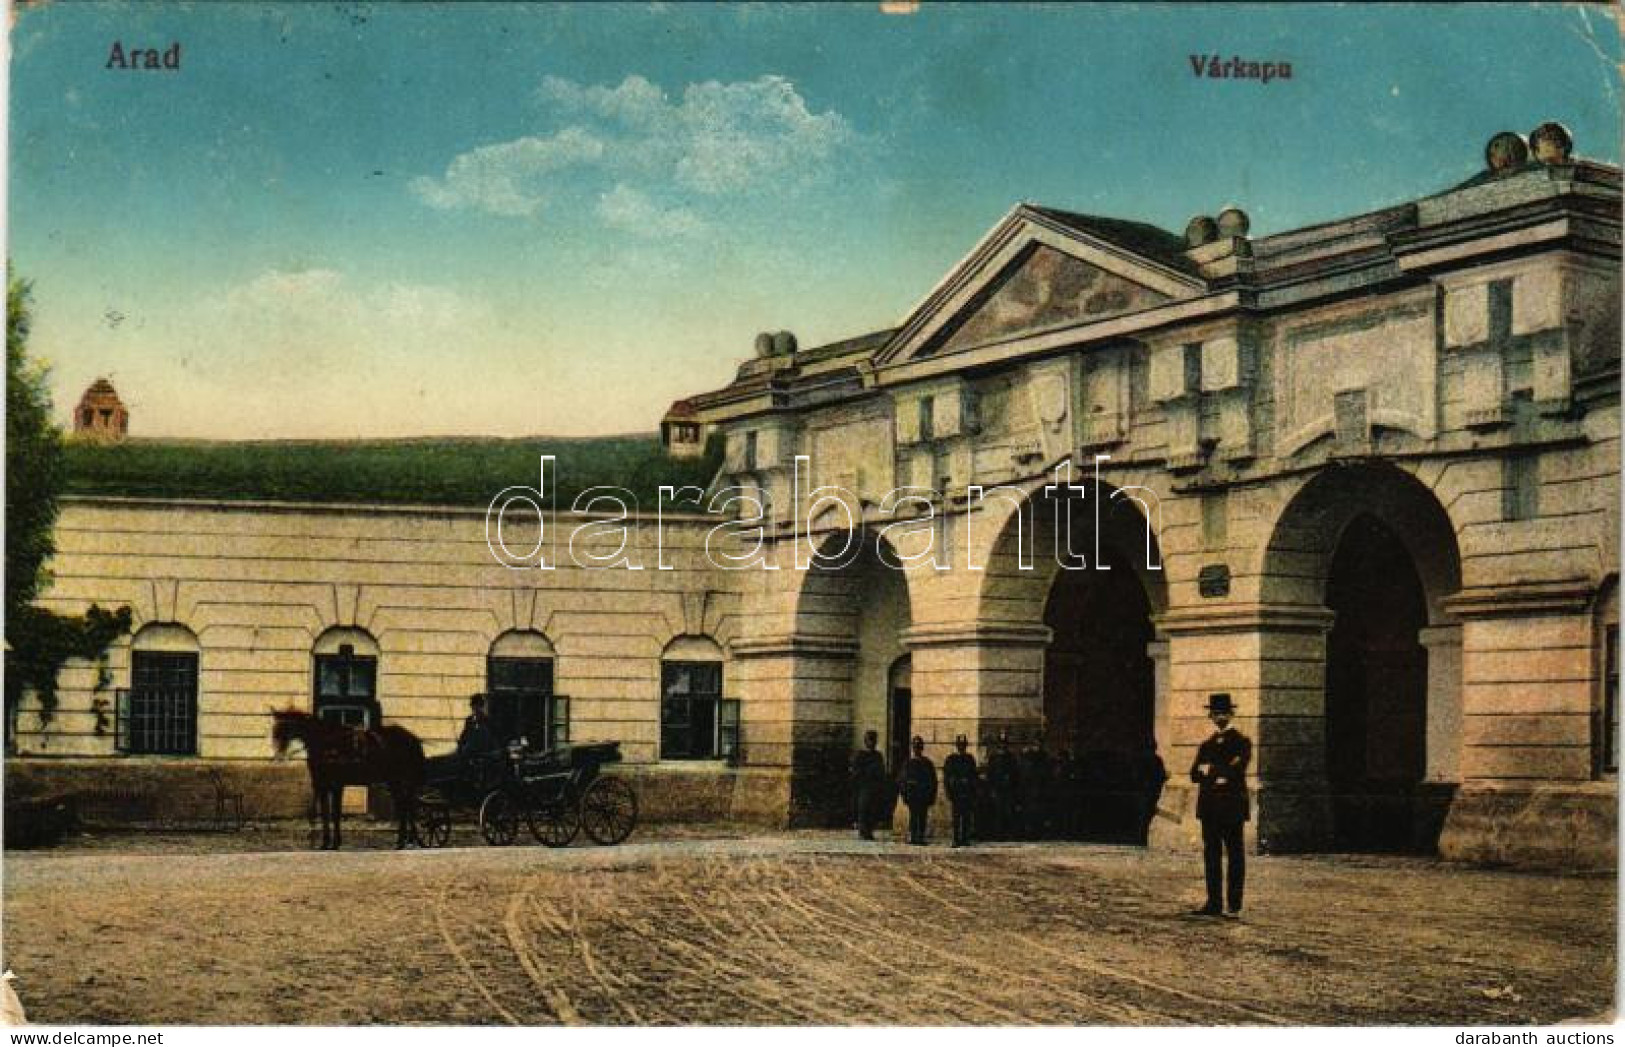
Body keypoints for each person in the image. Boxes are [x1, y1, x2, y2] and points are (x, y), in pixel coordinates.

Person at [1190, 693, 1252, 917]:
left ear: (1232, 714)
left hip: (1232, 807)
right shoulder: (1206, 745)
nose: (1220, 718)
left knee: (1235, 854)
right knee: (1211, 855)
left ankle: (1234, 904)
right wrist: (1216, 773)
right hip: (1209, 808)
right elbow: (1194, 774)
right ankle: (1213, 902)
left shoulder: (1241, 742)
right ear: (1210, 716)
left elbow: (1237, 770)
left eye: (1224, 713)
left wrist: (1211, 771)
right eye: (1216, 714)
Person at [899, 735, 938, 845]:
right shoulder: (908, 763)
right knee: (913, 816)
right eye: (915, 746)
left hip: (923, 795)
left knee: (922, 816)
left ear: (922, 748)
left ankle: (920, 836)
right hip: (912, 795)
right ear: (913, 748)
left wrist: (931, 795)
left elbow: (932, 780)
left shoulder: (927, 763)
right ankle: (913, 836)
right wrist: (905, 794)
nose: (917, 749)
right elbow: (903, 780)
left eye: (919, 746)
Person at [850, 730, 887, 840]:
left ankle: (870, 830)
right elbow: (856, 772)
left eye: (873, 740)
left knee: (873, 809)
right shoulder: (860, 755)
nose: (871, 742)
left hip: (875, 786)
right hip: (864, 786)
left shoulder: (878, 755)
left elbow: (881, 770)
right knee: (863, 808)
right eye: (869, 740)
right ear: (865, 741)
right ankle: (863, 831)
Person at [942, 734, 979, 847]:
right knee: (956, 816)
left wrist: (972, 789)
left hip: (967, 792)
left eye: (963, 745)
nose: (961, 747)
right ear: (957, 745)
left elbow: (973, 776)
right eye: (960, 745)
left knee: (966, 816)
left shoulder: (969, 759)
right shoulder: (951, 759)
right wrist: (949, 790)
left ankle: (965, 838)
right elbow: (947, 777)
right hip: (956, 792)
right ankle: (956, 838)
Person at [984, 731, 1020, 840]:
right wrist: (992, 789)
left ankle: (1009, 833)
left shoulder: (1011, 758)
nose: (1002, 745)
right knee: (997, 812)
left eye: (1004, 743)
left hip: (1009, 789)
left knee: (1008, 811)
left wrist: (1012, 784)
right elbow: (990, 774)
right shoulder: (993, 758)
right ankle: (998, 834)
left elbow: (1016, 774)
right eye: (1001, 743)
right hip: (997, 788)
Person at [1133, 738, 1169, 845]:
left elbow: (1136, 776)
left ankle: (1140, 839)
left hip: (1143, 791)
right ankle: (1142, 839)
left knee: (1142, 816)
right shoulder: (1157, 760)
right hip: (1153, 791)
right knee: (1147, 816)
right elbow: (1162, 776)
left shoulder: (1141, 760)